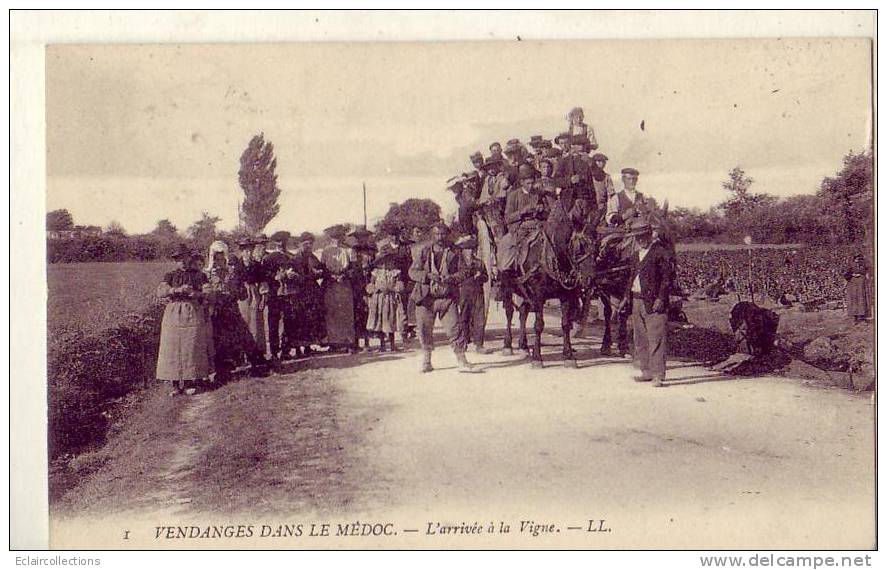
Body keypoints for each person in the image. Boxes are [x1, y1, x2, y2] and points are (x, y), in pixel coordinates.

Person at [408, 223, 472, 373]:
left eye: (443, 234)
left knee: (454, 328)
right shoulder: (423, 252)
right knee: (424, 329)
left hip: (446, 297)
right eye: (437, 234)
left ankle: (462, 359)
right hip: (426, 298)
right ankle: (426, 360)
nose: (440, 237)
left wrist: (450, 278)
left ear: (447, 235)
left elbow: (464, 272)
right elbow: (412, 272)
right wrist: (427, 276)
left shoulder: (455, 252)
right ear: (432, 235)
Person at [156, 244, 213, 396]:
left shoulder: (199, 275)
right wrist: (175, 290)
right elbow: (161, 291)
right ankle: (175, 384)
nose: (182, 261)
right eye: (178, 259)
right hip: (173, 312)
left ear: (189, 258)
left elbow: (208, 291)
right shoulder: (170, 275)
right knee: (172, 346)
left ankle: (189, 382)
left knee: (190, 346)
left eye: (184, 258)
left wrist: (196, 293)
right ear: (175, 261)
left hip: (192, 312)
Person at [622, 218, 674, 387]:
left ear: (650, 235)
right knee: (640, 338)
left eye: (643, 236)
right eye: (637, 237)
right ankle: (646, 371)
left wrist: (661, 298)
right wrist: (625, 298)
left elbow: (667, 279)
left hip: (654, 302)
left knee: (656, 338)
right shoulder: (636, 255)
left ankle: (658, 374)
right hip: (637, 300)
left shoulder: (661, 252)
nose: (640, 240)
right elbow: (631, 278)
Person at [203, 240, 262, 379]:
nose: (219, 261)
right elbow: (205, 293)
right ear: (212, 258)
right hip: (217, 311)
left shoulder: (232, 272)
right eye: (216, 258)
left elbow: (241, 292)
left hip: (231, 308)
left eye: (221, 257)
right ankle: (223, 370)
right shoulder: (207, 274)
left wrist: (238, 291)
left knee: (241, 335)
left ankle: (255, 364)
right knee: (219, 340)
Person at [499, 163, 548, 274]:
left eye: (532, 183)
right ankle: (512, 272)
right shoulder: (513, 195)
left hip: (538, 226)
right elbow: (507, 218)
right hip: (520, 228)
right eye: (528, 183)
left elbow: (547, 213)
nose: (531, 186)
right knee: (514, 250)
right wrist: (522, 212)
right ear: (521, 183)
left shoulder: (538, 194)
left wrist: (542, 210)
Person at [365, 238, 407, 352]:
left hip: (390, 298)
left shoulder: (395, 272)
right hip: (378, 299)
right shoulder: (376, 272)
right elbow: (371, 284)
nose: (385, 264)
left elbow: (399, 284)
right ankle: (382, 344)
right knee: (379, 320)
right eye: (383, 261)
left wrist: (394, 288)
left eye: (388, 261)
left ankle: (392, 344)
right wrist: (374, 289)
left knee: (391, 319)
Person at [321, 224, 358, 352]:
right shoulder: (326, 251)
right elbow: (323, 268)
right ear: (331, 238)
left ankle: (349, 343)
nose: (337, 239)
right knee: (332, 312)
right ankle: (334, 343)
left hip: (344, 284)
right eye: (334, 237)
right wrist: (330, 276)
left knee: (346, 312)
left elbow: (354, 268)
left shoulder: (349, 250)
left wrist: (344, 275)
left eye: (339, 237)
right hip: (331, 284)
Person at [289, 232, 326, 357]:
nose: (308, 246)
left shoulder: (313, 257)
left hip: (311, 291)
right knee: (300, 319)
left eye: (310, 244)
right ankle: (299, 348)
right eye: (306, 244)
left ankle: (308, 346)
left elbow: (322, 271)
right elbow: (292, 276)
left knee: (311, 319)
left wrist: (318, 273)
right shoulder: (294, 259)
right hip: (299, 292)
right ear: (300, 244)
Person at [234, 237, 270, 360]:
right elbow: (233, 282)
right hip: (242, 295)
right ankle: (243, 355)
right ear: (241, 251)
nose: (248, 253)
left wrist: (263, 297)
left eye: (250, 250)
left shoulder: (257, 265)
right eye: (245, 250)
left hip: (255, 294)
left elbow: (263, 282)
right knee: (244, 322)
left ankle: (257, 354)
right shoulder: (236, 266)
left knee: (256, 323)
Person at [455, 234, 492, 355]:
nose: (470, 251)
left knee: (479, 318)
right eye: (467, 249)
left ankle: (479, 344)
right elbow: (455, 278)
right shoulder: (458, 263)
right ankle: (464, 341)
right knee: (463, 317)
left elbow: (486, 277)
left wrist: (481, 276)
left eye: (472, 249)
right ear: (463, 250)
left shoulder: (479, 263)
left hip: (477, 293)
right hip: (463, 293)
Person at [264, 232, 294, 362]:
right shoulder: (269, 258)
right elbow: (266, 276)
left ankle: (286, 349)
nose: (282, 244)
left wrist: (293, 276)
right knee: (273, 322)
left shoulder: (291, 257)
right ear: (275, 243)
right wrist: (277, 277)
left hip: (288, 293)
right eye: (279, 242)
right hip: (274, 293)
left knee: (288, 322)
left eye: (284, 241)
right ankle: (275, 352)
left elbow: (297, 272)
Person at [349, 226, 376, 351]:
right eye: (359, 237)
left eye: (364, 237)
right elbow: (352, 267)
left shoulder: (372, 250)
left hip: (368, 283)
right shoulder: (353, 251)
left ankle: (367, 341)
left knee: (368, 311)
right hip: (356, 284)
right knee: (356, 312)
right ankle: (355, 342)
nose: (361, 240)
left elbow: (376, 266)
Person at [844, 253, 871, 322]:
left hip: (861, 285)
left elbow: (867, 272)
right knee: (855, 300)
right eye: (856, 258)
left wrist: (866, 276)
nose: (858, 260)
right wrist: (853, 274)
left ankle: (863, 316)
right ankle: (855, 317)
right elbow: (846, 274)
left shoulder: (863, 265)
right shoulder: (850, 265)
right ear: (854, 259)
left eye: (859, 259)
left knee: (862, 299)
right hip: (853, 285)